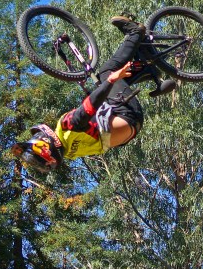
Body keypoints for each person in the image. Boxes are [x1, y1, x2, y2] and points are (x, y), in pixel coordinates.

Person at [11, 14, 176, 172]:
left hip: (131, 126)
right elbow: (89, 108)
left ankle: (148, 70)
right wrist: (111, 80)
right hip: (127, 114)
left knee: (104, 87)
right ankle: (135, 33)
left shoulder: (70, 151)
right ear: (44, 142)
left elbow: (94, 122)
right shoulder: (66, 126)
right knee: (107, 72)